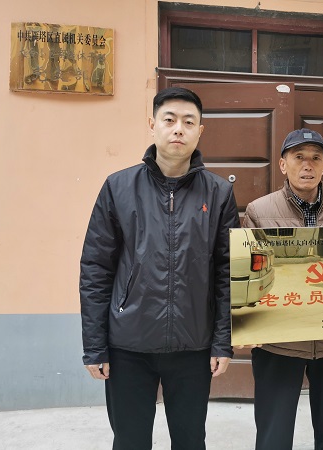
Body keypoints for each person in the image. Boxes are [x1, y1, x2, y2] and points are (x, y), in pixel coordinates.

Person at [79, 87, 240, 450]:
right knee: (130, 441)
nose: (178, 128)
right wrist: (95, 346)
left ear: (201, 130)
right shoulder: (118, 187)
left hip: (193, 346)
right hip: (128, 347)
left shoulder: (218, 193)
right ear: (152, 125)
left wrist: (222, 342)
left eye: (189, 122)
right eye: (169, 119)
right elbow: (96, 269)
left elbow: (227, 273)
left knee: (190, 440)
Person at [242, 128, 323, 450]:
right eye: (298, 157)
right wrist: (247, 325)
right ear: (283, 165)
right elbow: (250, 273)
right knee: (274, 435)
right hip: (278, 343)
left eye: (315, 158)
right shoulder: (258, 211)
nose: (307, 165)